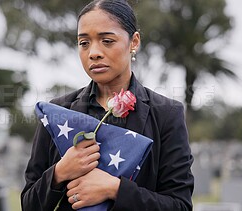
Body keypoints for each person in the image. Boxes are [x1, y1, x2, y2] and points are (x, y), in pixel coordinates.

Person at [21, 0, 194, 210]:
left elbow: (179, 205)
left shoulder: (167, 114)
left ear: (134, 42)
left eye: (107, 41)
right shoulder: (57, 112)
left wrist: (115, 189)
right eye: (84, 43)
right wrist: (60, 172)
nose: (93, 52)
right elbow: (29, 204)